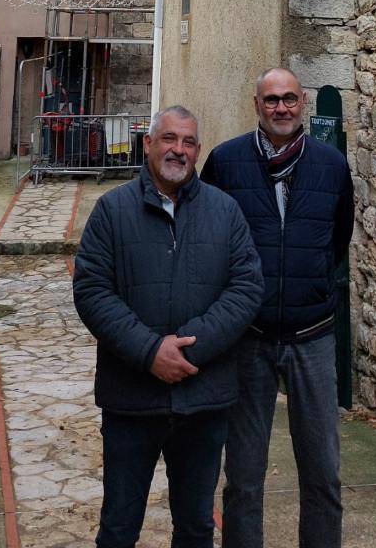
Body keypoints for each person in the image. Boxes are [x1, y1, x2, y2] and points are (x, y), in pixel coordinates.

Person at [73, 105, 264, 548]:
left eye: (189, 142)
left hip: (203, 401)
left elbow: (245, 289)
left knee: (197, 527)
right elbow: (92, 292)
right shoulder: (111, 211)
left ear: (198, 151)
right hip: (132, 400)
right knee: (119, 527)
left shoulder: (225, 212)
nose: (179, 150)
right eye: (169, 139)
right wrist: (149, 351)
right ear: (149, 144)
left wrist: (188, 352)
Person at [200, 68, 355, 548]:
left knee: (323, 475)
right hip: (250, 341)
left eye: (289, 99)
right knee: (244, 477)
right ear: (256, 105)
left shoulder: (331, 165)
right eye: (272, 100)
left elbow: (338, 240)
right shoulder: (225, 163)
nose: (281, 108)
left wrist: (308, 289)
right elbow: (210, 241)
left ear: (303, 101)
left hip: (314, 337)